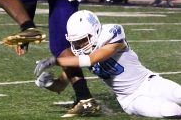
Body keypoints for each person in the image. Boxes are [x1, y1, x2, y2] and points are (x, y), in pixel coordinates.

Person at [34, 10, 181, 118]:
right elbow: (61, 84)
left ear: (96, 30)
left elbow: (91, 59)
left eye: (83, 40)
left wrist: (55, 60)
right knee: (170, 110)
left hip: (149, 82)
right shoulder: (79, 54)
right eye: (76, 42)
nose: (80, 46)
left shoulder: (111, 37)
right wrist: (48, 83)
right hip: (130, 99)